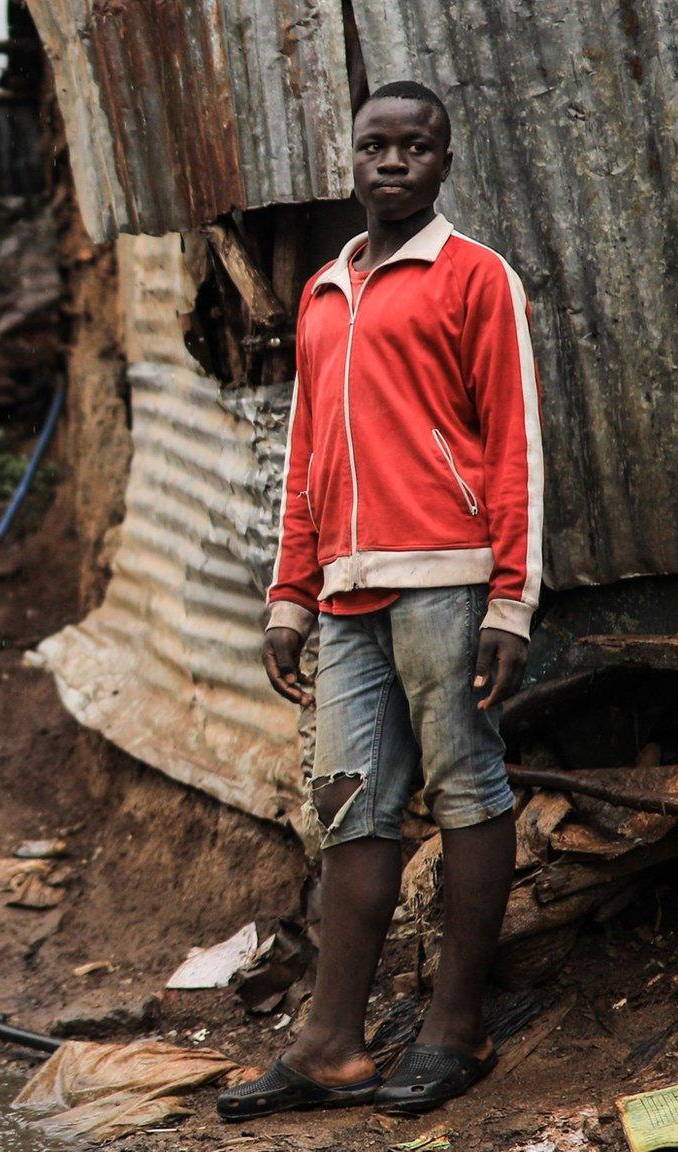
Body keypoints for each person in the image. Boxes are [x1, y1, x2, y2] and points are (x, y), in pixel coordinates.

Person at [218, 80, 543, 1119]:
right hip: (347, 600)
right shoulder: (323, 292)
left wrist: (509, 602)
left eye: (414, 147)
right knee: (349, 808)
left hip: (446, 582)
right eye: (373, 146)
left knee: (461, 787)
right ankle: (328, 1044)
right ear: (349, 160)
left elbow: (515, 447)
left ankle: (456, 1026)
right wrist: (288, 596)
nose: (391, 162)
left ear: (443, 163)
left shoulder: (473, 277)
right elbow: (305, 454)